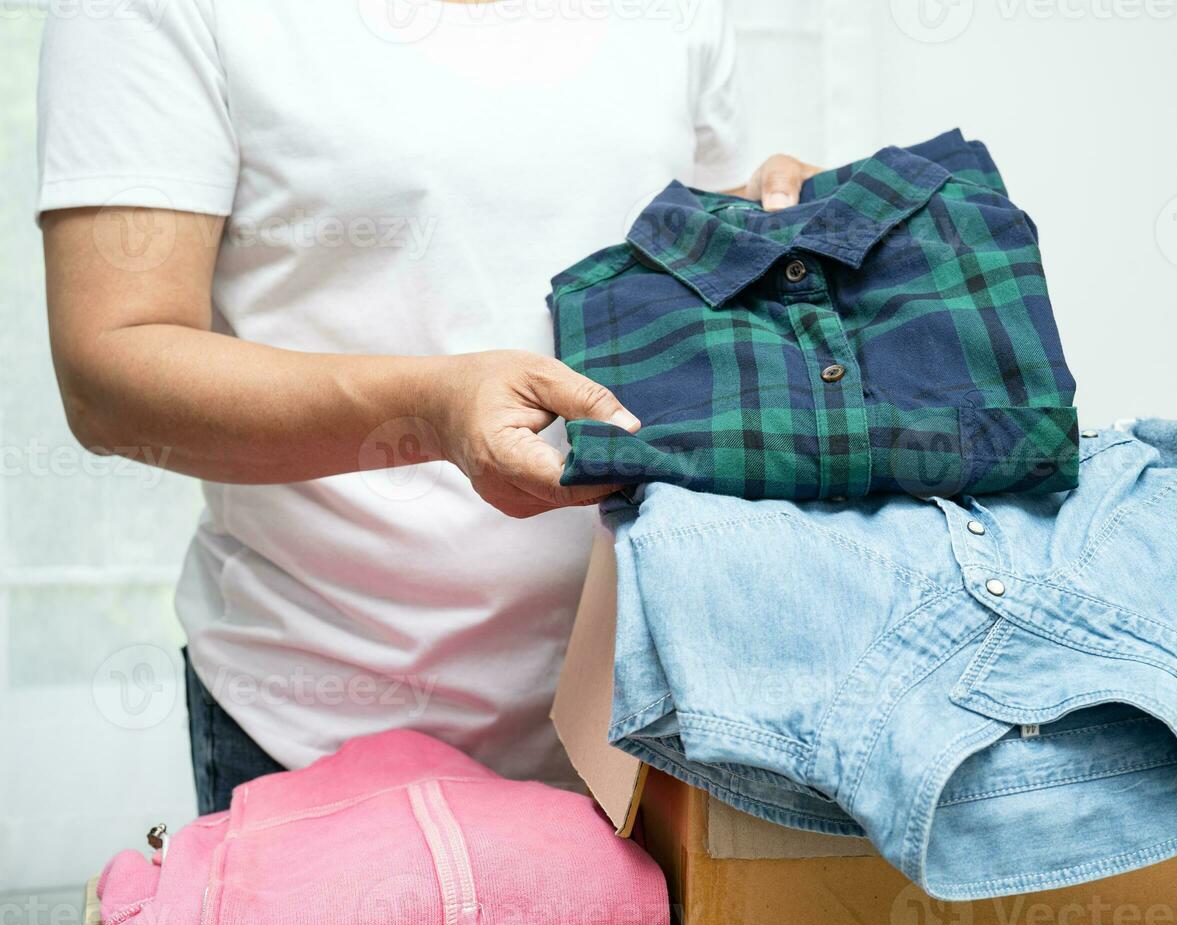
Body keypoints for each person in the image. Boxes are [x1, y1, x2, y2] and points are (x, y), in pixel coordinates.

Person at [37, 0, 818, 813]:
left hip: (662, 725)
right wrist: (433, 410)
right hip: (319, 726)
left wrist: (775, 223)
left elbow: (706, 265)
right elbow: (109, 376)